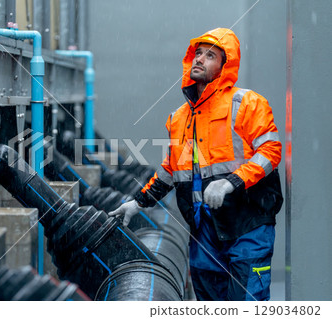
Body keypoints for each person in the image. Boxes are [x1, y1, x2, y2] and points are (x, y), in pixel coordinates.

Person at [109, 28, 283, 301]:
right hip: (204, 233)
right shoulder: (179, 118)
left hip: (248, 227)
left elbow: (270, 151)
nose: (200, 59)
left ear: (225, 66)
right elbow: (171, 169)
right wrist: (139, 203)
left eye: (210, 55)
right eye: (197, 54)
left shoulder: (247, 104)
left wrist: (230, 182)